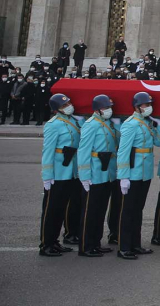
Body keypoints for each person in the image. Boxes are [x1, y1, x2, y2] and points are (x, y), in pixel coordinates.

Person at [116, 92, 160, 260]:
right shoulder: (130, 124)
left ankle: (135, 244)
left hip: (144, 173)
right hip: (132, 173)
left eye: (149, 104)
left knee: (138, 210)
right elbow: (123, 151)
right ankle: (124, 246)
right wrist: (123, 176)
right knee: (127, 211)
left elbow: (158, 142)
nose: (148, 107)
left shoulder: (147, 123)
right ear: (137, 107)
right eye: (145, 105)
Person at [39, 93, 81, 257]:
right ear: (56, 109)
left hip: (71, 172)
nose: (69, 106)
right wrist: (47, 175)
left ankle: (54, 241)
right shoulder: (53, 125)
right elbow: (47, 151)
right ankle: (46, 244)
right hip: (57, 173)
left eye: (69, 103)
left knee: (61, 209)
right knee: (51, 210)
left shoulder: (73, 121)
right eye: (64, 105)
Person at [77, 94, 117, 257]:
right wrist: (84, 175)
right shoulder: (91, 125)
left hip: (106, 174)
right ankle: (85, 245)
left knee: (100, 210)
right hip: (94, 174)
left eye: (109, 107)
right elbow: (84, 151)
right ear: (97, 109)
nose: (109, 110)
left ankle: (96, 242)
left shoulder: (108, 124)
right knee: (89, 211)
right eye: (106, 108)